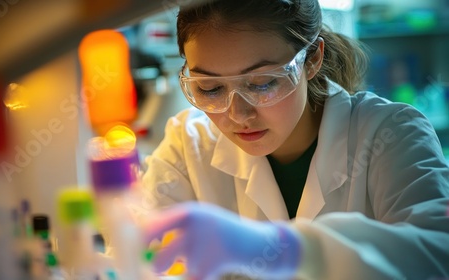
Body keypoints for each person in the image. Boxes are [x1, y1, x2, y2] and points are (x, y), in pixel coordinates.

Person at [140, 0, 449, 279]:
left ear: (312, 59)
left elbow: (437, 257)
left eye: (262, 83)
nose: (238, 115)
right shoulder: (187, 142)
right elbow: (139, 260)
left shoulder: (391, 132)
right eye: (210, 88)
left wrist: (284, 250)